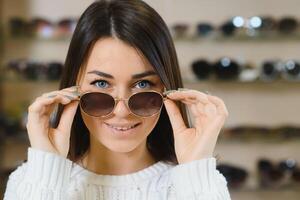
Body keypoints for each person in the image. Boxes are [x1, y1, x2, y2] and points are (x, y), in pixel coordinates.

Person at [4, 0, 231, 199]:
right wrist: (47, 169)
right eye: (101, 84)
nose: (122, 111)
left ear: (167, 90)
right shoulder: (30, 182)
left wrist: (195, 169)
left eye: (143, 84)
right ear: (73, 88)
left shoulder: (202, 185)